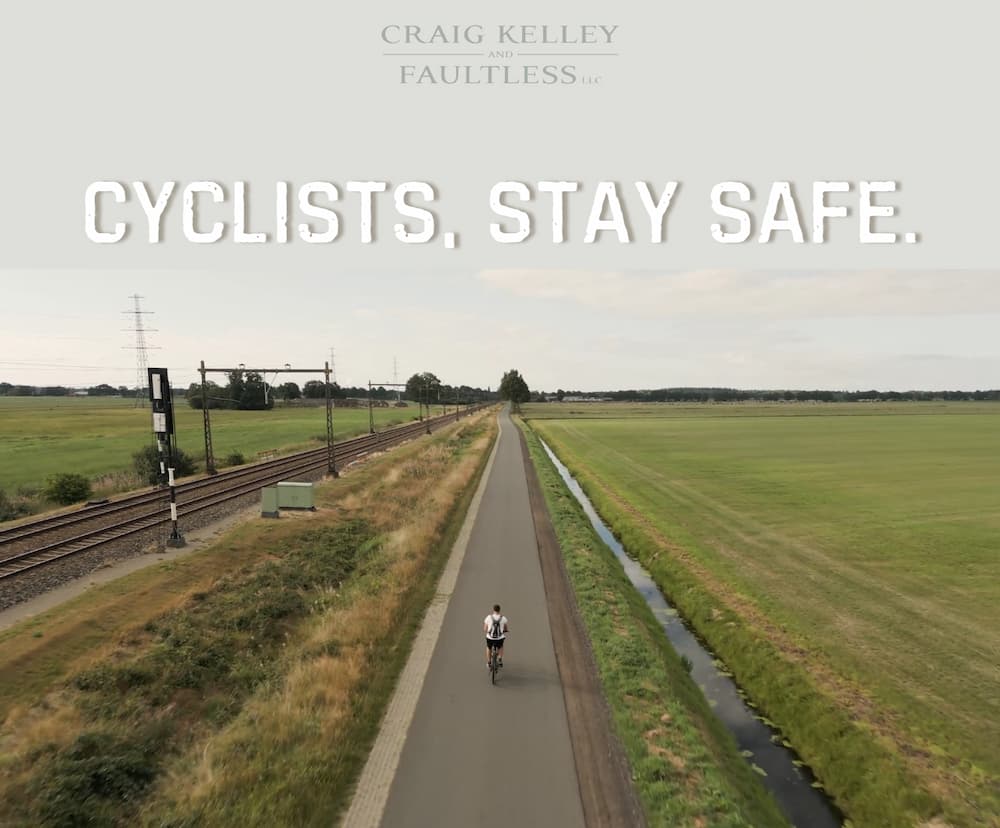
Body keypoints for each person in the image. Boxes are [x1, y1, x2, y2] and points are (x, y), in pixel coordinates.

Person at [484, 603, 509, 669]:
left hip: (490, 638)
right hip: (499, 638)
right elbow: (506, 628)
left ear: (493, 610)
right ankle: (500, 658)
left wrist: (487, 631)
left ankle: (489, 662)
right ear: (499, 610)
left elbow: (485, 629)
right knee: (501, 646)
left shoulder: (489, 617)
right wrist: (505, 630)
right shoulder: (503, 618)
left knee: (488, 647)